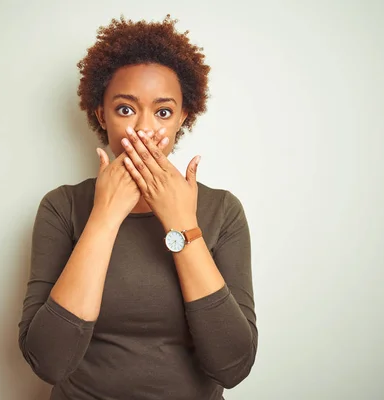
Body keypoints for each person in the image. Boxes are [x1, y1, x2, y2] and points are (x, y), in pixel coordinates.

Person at [18, 15, 257, 400]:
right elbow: (48, 362)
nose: (144, 130)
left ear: (183, 118)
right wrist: (104, 218)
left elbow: (232, 366)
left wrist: (181, 223)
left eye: (163, 112)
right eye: (126, 110)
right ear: (101, 115)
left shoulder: (222, 211)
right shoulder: (62, 207)